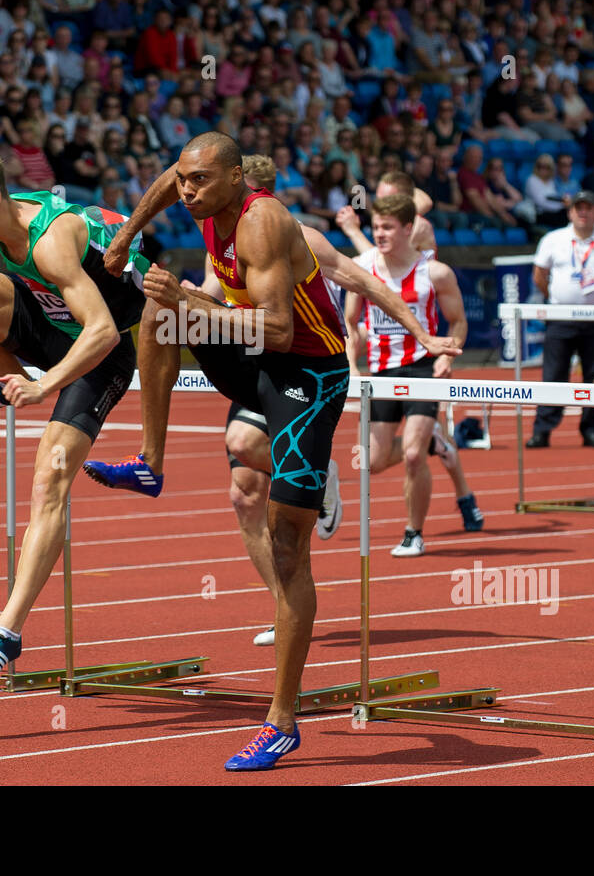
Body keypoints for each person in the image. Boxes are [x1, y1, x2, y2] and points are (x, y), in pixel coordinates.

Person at [86, 133, 457, 771]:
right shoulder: (200, 200)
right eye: (184, 181)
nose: (186, 192)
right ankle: (150, 461)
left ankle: (281, 721)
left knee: (289, 551)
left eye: (199, 182)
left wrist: (421, 331)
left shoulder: (267, 225)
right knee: (155, 313)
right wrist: (125, 240)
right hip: (254, 357)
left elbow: (289, 322)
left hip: (307, 376)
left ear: (238, 180)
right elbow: (163, 186)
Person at [196, 178, 465, 646]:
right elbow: (209, 293)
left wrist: (421, 336)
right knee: (243, 496)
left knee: (266, 468)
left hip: (303, 367)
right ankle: (281, 604)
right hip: (251, 357)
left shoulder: (301, 237)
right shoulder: (218, 239)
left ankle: (336, 489)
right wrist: (185, 303)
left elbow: (361, 279)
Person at [0, 147, 151, 689]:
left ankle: (7, 632)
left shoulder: (51, 242)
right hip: (45, 321)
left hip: (100, 350)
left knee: (49, 480)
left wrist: (45, 385)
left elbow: (101, 332)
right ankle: (6, 382)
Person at [342, 193, 480, 557]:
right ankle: (436, 440)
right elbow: (350, 323)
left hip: (422, 367)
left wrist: (449, 357)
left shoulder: (434, 273)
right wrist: (353, 366)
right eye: (375, 228)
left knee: (414, 456)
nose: (380, 234)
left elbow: (459, 321)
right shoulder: (362, 267)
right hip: (382, 368)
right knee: (372, 461)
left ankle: (413, 533)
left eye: (388, 228)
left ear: (408, 228)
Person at [527, 191, 594, 449]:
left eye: (588, 208)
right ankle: (543, 429)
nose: (582, 212)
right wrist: (555, 299)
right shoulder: (553, 239)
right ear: (570, 211)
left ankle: (591, 429)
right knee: (553, 374)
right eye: (578, 208)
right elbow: (540, 275)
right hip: (561, 317)